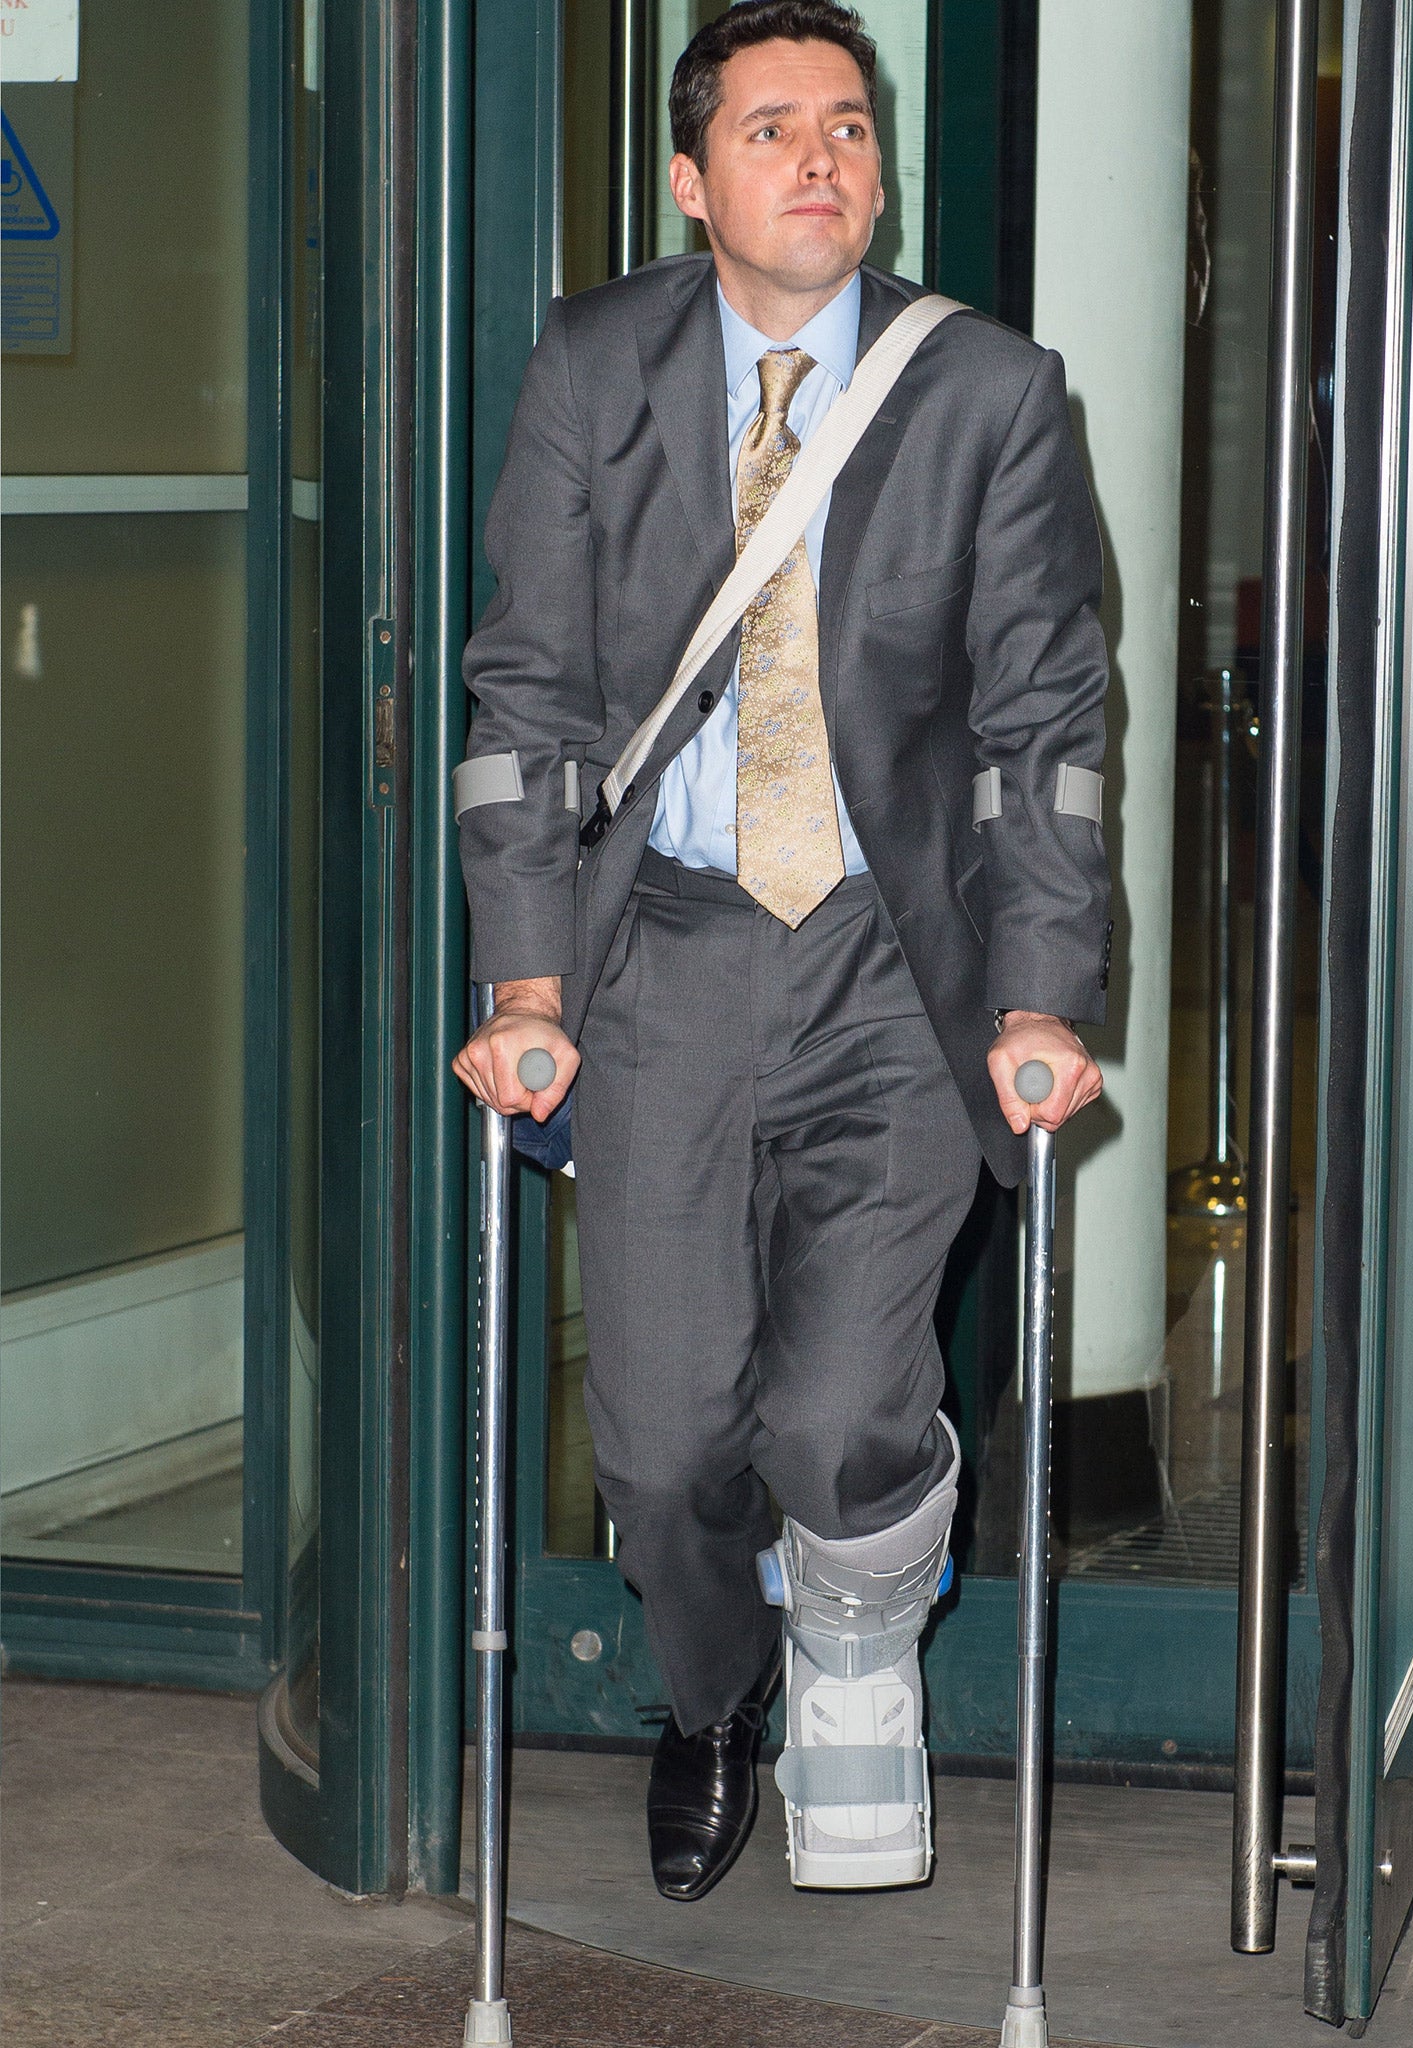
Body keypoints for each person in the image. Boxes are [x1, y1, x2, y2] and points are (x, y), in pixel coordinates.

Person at [453, 0, 1111, 1903]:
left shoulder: (989, 391)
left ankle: (852, 1660)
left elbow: (1045, 729)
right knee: (661, 1451)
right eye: (769, 129)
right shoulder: (597, 366)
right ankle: (717, 1691)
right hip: (661, 950)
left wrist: (1040, 994)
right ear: (691, 177)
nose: (818, 157)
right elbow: (528, 694)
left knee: (835, 1413)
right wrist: (527, 982)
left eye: (846, 124)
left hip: (898, 968)